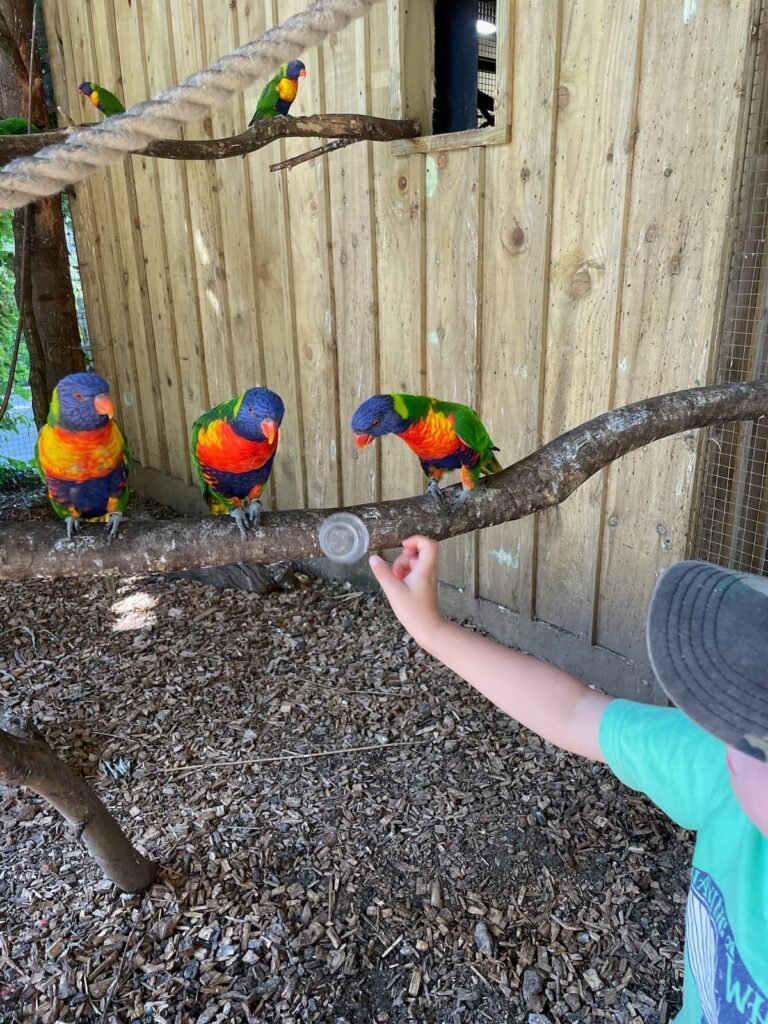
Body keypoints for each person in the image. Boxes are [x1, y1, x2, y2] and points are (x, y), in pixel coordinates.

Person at [369, 537, 768, 1024]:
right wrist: (431, 629)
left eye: (751, 726)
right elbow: (575, 711)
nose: (723, 726)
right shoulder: (719, 768)